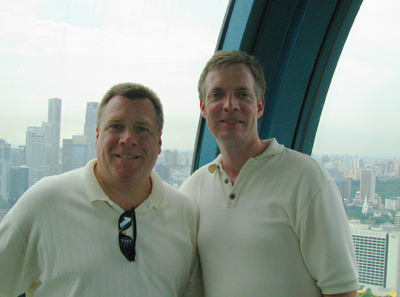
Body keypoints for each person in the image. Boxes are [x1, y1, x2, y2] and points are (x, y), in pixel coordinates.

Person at [180, 50, 359, 296]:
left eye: (242, 94)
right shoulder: (192, 191)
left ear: (260, 105)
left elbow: (342, 289)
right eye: (217, 95)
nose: (229, 105)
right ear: (203, 107)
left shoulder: (306, 178)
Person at [0, 83, 203, 296]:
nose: (127, 139)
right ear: (97, 136)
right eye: (115, 126)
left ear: (159, 142)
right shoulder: (44, 202)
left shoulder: (184, 213)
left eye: (142, 128)